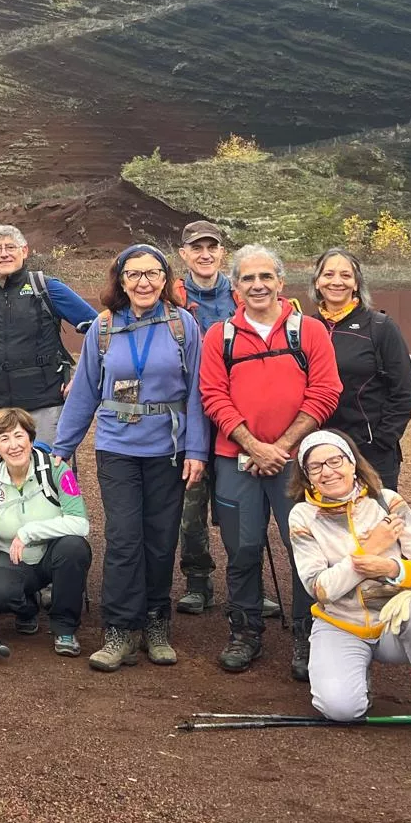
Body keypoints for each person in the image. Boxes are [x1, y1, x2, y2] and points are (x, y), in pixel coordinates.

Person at [54, 245, 208, 671]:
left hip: (169, 450)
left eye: (152, 273)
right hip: (117, 448)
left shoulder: (183, 326)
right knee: (123, 538)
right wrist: (62, 448)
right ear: (120, 280)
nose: (143, 282)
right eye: (134, 274)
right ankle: (119, 629)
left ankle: (156, 624)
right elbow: (84, 391)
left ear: (165, 278)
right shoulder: (102, 329)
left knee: (160, 541)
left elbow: (197, 390)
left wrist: (197, 448)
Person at [199, 244, 342, 678]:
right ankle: (245, 633)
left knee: (305, 549)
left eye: (266, 277)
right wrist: (252, 445)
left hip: (297, 464)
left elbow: (325, 391)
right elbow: (212, 395)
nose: (257, 285)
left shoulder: (310, 332)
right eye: (247, 278)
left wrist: (280, 446)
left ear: (281, 283)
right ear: (236, 287)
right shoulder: (218, 336)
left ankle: (308, 635)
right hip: (235, 461)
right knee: (242, 549)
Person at [288, 430, 411, 746]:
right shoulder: (302, 516)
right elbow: (320, 589)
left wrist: (394, 569)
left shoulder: (388, 501)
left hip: (393, 620)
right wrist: (368, 551)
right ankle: (356, 679)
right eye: (315, 467)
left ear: (352, 463)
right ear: (307, 477)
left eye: (335, 460)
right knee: (341, 710)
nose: (327, 471)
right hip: (339, 624)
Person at [0, 408, 91, 656]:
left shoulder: (56, 469)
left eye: (19, 436)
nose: (13, 445)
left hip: (54, 554)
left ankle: (64, 627)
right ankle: (27, 607)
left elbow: (81, 523)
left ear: (31, 438)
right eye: (4, 439)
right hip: (12, 557)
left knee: (74, 548)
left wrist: (29, 531)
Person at [0, 225, 95, 471]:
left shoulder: (46, 287)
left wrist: (79, 376)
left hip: (44, 400)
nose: (4, 254)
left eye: (10, 247)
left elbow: (98, 328)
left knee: (47, 473)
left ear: (24, 251)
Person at [309, 248, 411, 491]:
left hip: (371, 452)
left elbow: (404, 390)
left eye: (345, 275)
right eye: (328, 274)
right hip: (320, 450)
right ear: (317, 282)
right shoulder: (305, 327)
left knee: (375, 524)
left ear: (356, 283)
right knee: (328, 525)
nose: (337, 281)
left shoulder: (380, 327)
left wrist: (382, 440)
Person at [173, 221, 238, 616]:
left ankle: (247, 583)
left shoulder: (240, 294)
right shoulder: (172, 298)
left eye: (212, 247)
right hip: (189, 414)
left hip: (235, 414)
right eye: (197, 248)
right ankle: (198, 582)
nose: (205, 254)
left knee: (240, 506)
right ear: (183, 254)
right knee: (190, 506)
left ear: (221, 252)